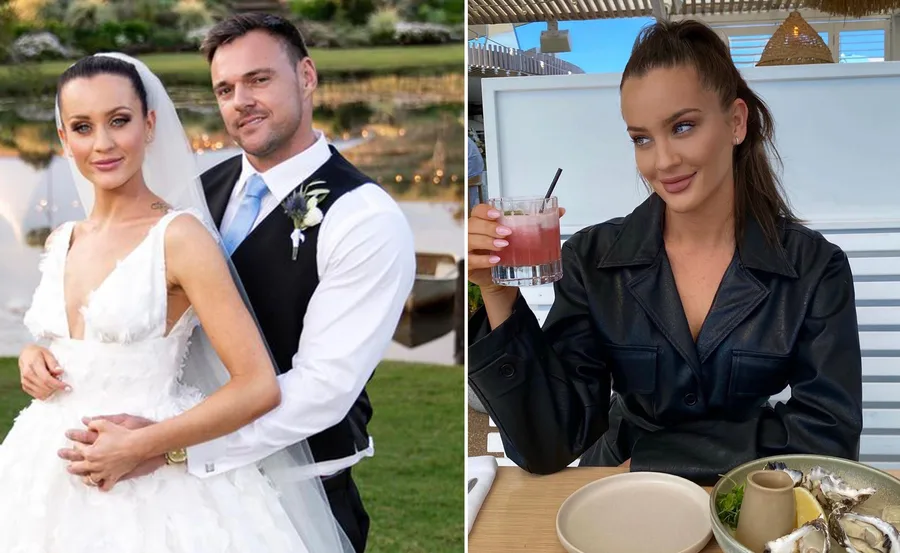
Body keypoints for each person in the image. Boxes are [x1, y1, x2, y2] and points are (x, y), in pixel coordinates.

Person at [17, 13, 415, 553]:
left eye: (259, 80)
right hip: (148, 474)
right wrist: (47, 356)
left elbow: (322, 390)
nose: (240, 101)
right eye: (225, 89)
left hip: (300, 485)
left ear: (306, 76)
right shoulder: (201, 191)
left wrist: (169, 447)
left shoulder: (363, 218)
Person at [466, 19, 863, 485]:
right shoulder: (593, 260)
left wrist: (658, 459)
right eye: (642, 138)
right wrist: (497, 295)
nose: (663, 161)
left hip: (743, 492)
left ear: (736, 123)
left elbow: (829, 435)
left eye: (683, 126)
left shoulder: (814, 268)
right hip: (617, 489)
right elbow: (550, 443)